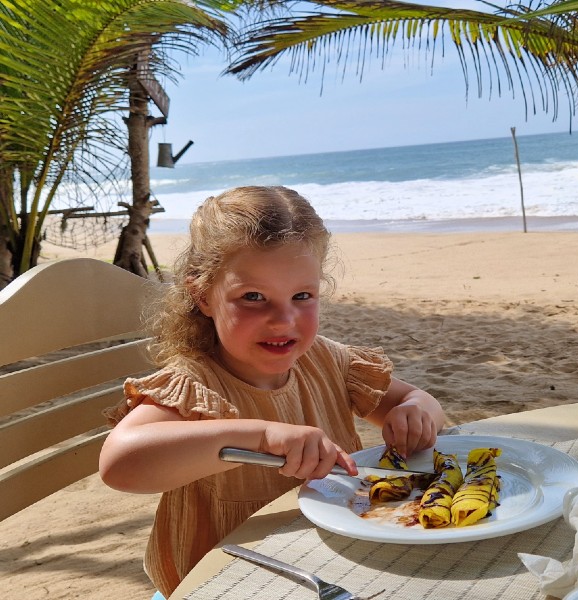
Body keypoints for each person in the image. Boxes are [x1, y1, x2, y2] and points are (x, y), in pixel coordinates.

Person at [99, 185, 445, 597]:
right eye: (253, 297)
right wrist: (261, 436)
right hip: (224, 580)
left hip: (325, 566)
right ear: (203, 295)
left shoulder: (327, 361)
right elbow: (121, 463)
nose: (283, 320)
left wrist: (417, 411)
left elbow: (416, 401)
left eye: (302, 296)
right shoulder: (195, 385)